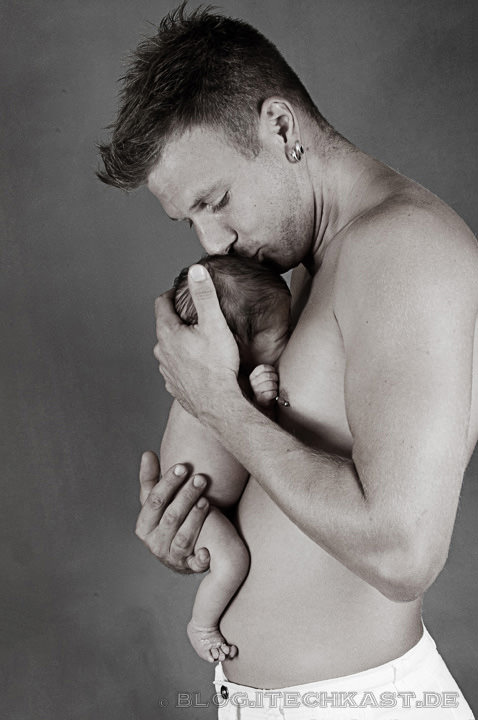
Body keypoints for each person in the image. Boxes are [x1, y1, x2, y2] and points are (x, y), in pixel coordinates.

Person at [97, 5, 477, 718]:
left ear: (279, 127)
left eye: (216, 201)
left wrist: (223, 409)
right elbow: (275, 490)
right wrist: (189, 526)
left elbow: (404, 554)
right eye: (189, 221)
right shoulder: (302, 267)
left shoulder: (404, 250)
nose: (212, 241)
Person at [164, 254, 291, 662]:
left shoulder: (219, 380)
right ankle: (201, 625)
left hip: (209, 498)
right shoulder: (212, 386)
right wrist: (264, 404)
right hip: (196, 506)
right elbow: (244, 433)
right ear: (236, 344)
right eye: (281, 332)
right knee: (232, 560)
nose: (290, 337)